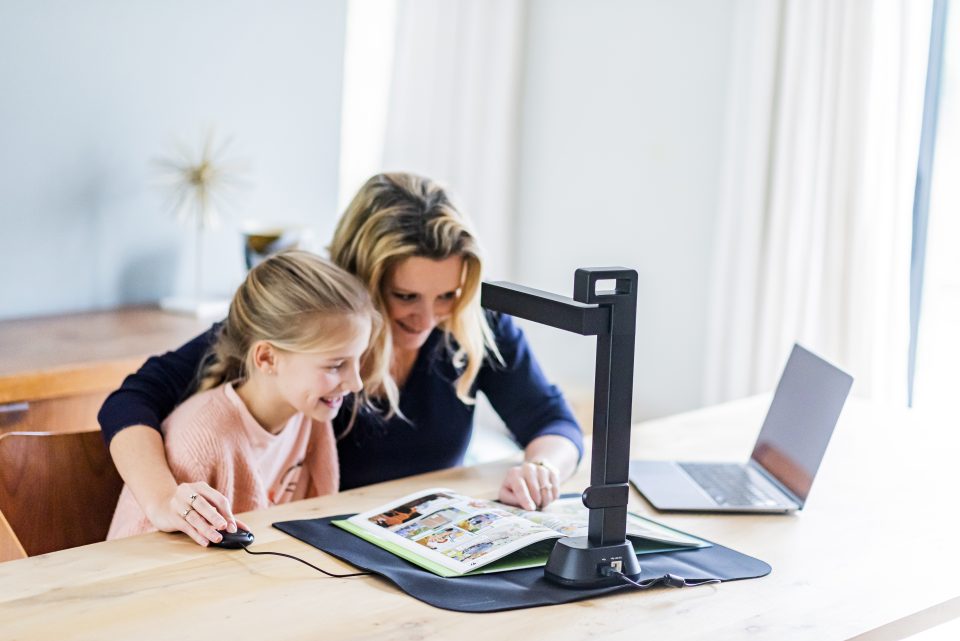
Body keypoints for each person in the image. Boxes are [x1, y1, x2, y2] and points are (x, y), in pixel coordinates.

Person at [98, 172, 583, 546]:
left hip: (423, 538)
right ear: (363, 278)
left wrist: (543, 468)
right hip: (328, 547)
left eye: (449, 295)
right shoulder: (307, 323)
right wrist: (163, 499)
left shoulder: (472, 325)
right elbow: (132, 399)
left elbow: (552, 421)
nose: (428, 319)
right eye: (405, 296)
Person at [107, 251, 389, 543]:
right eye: (335, 365)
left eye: (358, 360)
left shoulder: (308, 411)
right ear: (267, 357)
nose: (356, 383)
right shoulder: (201, 443)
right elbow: (139, 558)